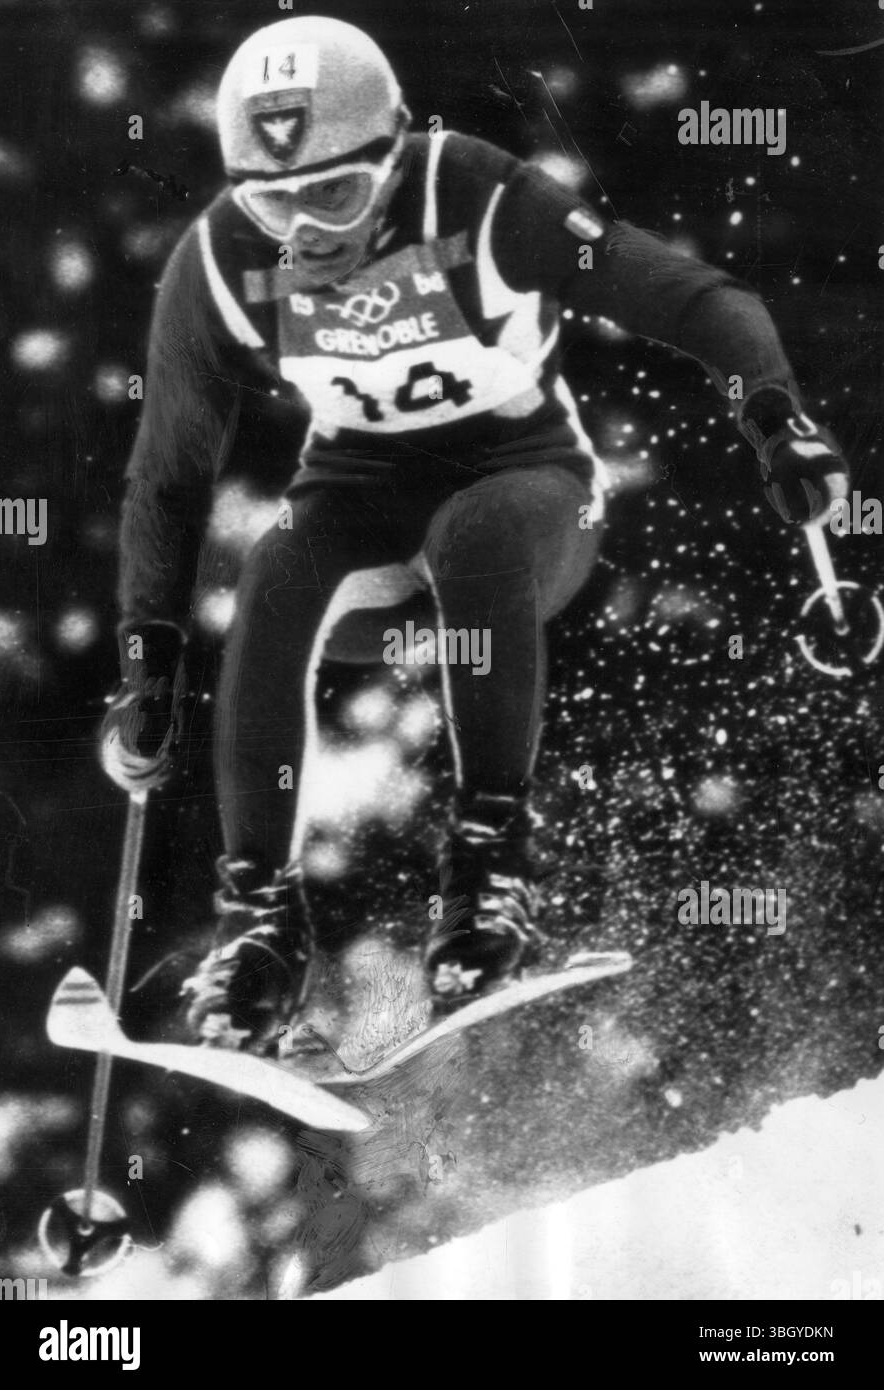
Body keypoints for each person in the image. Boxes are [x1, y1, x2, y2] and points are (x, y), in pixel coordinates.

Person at [102, 15, 849, 1054]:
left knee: (474, 528)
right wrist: (148, 662)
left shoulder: (479, 195)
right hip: (360, 505)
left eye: (335, 192)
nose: (309, 231)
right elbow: (169, 474)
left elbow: (695, 298)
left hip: (528, 490)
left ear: (394, 148)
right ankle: (258, 927)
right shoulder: (222, 261)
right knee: (276, 564)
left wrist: (774, 416)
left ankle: (488, 873)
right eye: (276, 200)